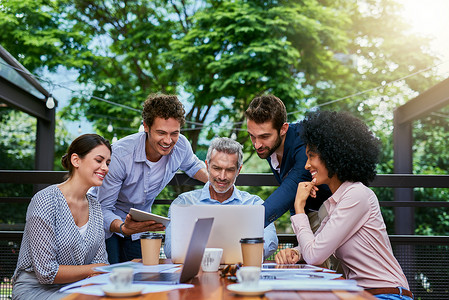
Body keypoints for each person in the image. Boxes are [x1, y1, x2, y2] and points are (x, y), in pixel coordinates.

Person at [275, 111, 412, 300]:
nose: (307, 165)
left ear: (333, 156)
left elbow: (315, 256)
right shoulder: (334, 202)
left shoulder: (357, 195)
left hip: (388, 294)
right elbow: (319, 242)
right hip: (360, 294)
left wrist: (299, 205)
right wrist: (295, 252)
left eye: (312, 156)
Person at [90, 93, 208, 263]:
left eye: (174, 133)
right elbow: (103, 208)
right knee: (111, 272)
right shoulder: (120, 155)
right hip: (108, 221)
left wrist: (215, 181)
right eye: (161, 133)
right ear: (146, 126)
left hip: (140, 222)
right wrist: (123, 227)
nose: (168, 140)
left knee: (142, 271)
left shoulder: (181, 145)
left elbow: (192, 165)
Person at [12, 134, 111, 300]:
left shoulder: (95, 206)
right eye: (99, 160)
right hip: (35, 290)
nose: (105, 168)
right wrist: (92, 270)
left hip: (77, 288)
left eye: (107, 163)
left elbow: (102, 262)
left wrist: (95, 272)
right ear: (76, 160)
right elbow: (46, 272)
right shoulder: (45, 201)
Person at [164, 137, 278, 259]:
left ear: (238, 170)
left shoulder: (255, 204)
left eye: (229, 170)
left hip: (239, 272)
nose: (222, 176)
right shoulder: (184, 203)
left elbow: (271, 242)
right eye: (217, 168)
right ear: (207, 166)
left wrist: (247, 254)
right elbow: (171, 249)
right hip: (197, 272)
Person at [245, 95, 332, 228]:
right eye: (252, 136)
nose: (257, 145)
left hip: (333, 214)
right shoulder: (269, 147)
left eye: (264, 136)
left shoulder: (303, 142)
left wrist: (245, 225)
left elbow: (290, 187)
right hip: (303, 215)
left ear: (283, 129)